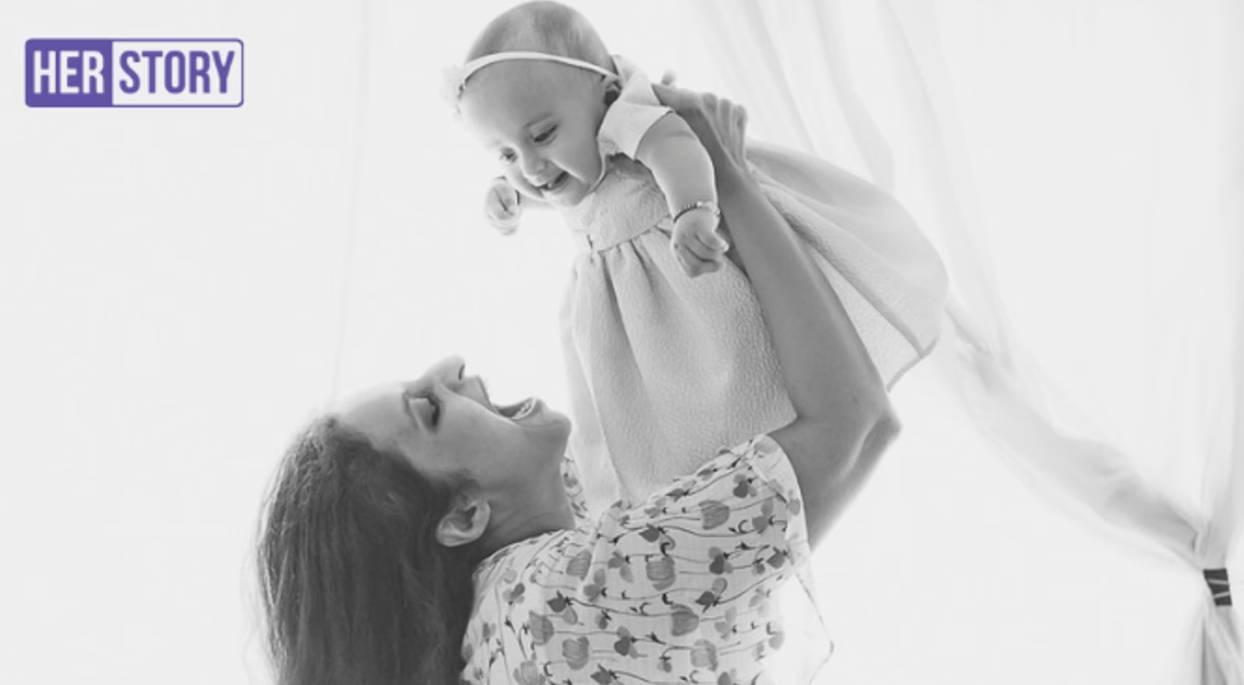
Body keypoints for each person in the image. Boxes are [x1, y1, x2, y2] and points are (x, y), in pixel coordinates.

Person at [258, 84, 902, 685]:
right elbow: (854, 424)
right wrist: (723, 177)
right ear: (463, 515)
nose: (452, 367)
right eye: (428, 408)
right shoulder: (560, 601)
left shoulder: (511, 610)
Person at [447, 1, 946, 510]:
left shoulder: (629, 124)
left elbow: (675, 146)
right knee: (659, 419)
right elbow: (561, 188)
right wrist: (512, 199)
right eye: (506, 154)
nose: (529, 165)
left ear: (608, 97)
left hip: (689, 274)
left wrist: (692, 210)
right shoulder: (564, 168)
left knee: (732, 372)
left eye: (542, 135)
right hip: (632, 318)